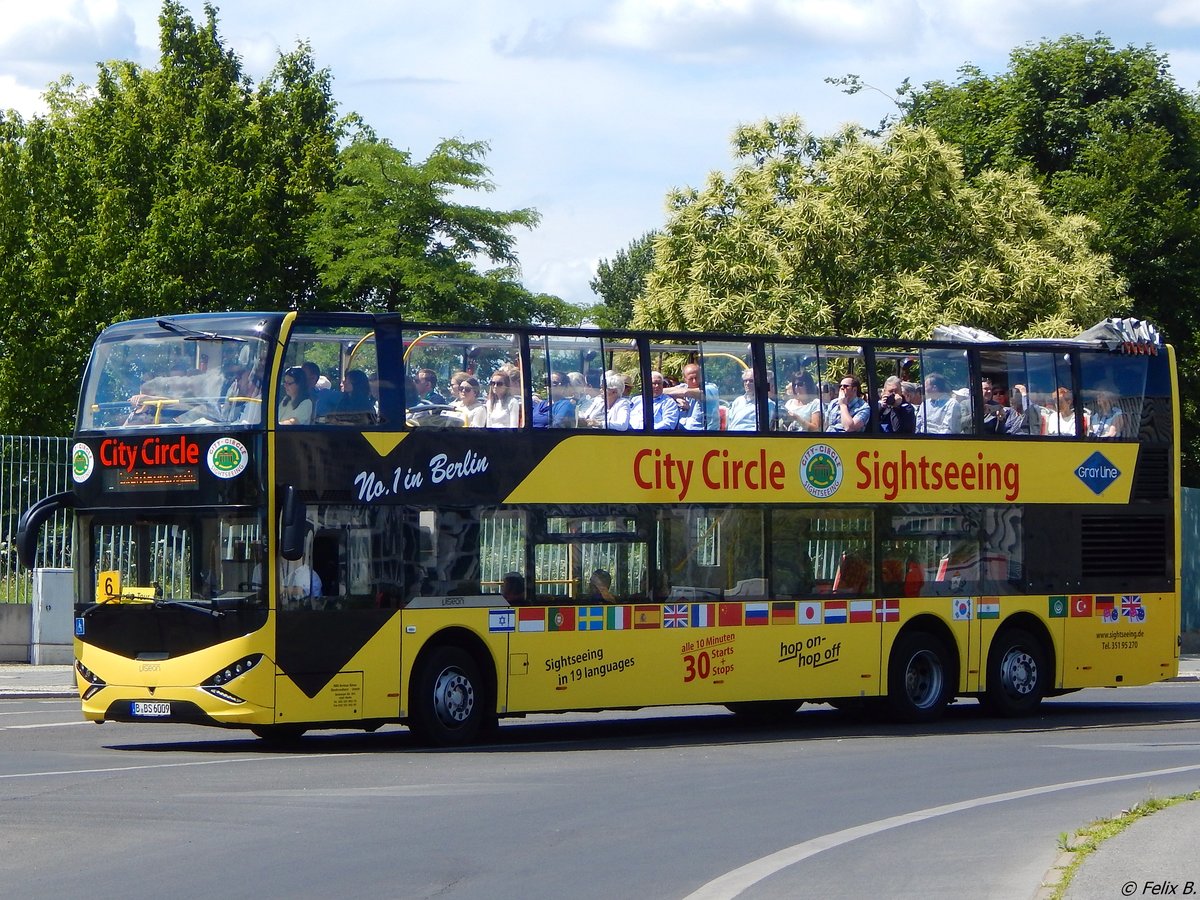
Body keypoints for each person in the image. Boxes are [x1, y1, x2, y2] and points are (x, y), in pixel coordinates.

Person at [665, 363, 720, 431]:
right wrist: (676, 398)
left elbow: (685, 392)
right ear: (684, 379)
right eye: (691, 378)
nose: (695, 381)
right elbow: (664, 391)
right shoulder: (683, 387)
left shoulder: (710, 388)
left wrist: (676, 395)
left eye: (697, 377)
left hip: (704, 435)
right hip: (681, 433)